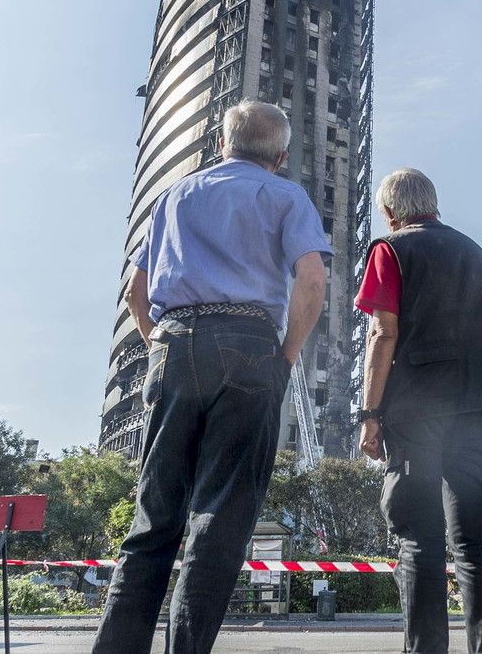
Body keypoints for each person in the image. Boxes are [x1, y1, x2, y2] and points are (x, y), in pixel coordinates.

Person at [93, 101, 331, 653]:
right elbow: (312, 280)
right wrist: (286, 357)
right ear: (281, 156)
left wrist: (159, 346)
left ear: (222, 145)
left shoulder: (174, 196)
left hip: (174, 342)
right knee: (219, 520)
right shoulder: (286, 196)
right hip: (250, 344)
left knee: (154, 519)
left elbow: (135, 291)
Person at [356, 168, 482, 654]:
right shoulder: (476, 254)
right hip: (479, 412)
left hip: (414, 413)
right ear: (433, 205)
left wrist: (369, 414)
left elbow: (383, 333)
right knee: (477, 545)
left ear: (389, 213)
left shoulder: (390, 250)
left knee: (419, 542)